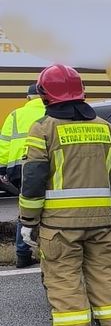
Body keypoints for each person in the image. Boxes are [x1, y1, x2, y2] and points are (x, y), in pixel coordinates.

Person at [18, 64, 111, 326]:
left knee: (65, 283)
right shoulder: (106, 128)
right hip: (102, 223)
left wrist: (28, 222)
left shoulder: (43, 129)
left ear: (44, 94)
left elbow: (34, 180)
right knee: (104, 278)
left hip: (59, 226)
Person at [1, 82, 46, 267]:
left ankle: (22, 254)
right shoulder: (51, 113)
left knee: (25, 209)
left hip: (19, 169)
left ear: (28, 98)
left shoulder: (16, 114)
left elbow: (3, 145)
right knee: (50, 211)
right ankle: (48, 253)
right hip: (44, 165)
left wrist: (2, 170)